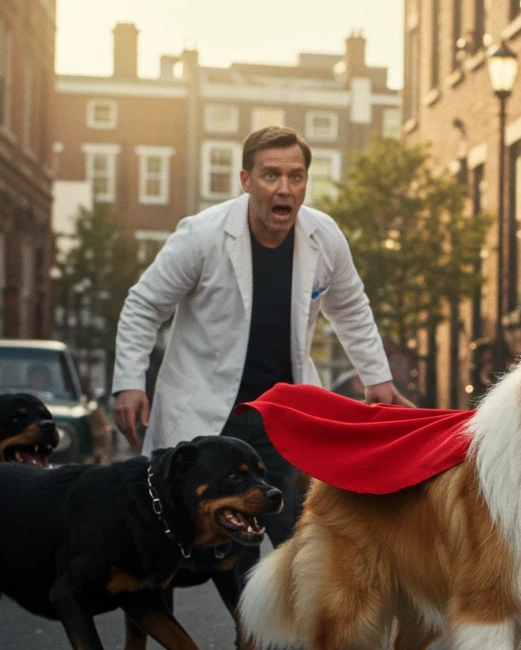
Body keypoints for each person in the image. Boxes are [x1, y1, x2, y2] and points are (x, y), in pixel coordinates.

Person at [112, 125, 413, 549]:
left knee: (300, 541)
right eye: (271, 175)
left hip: (281, 417)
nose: (284, 189)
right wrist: (128, 382)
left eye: (296, 177)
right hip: (210, 417)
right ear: (246, 180)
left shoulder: (324, 236)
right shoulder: (201, 235)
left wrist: (377, 379)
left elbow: (350, 308)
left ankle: (288, 615)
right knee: (193, 546)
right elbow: (144, 307)